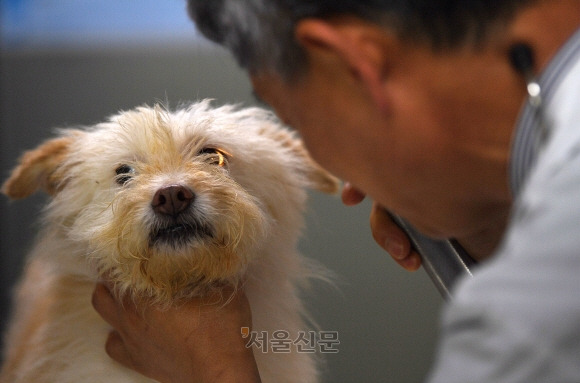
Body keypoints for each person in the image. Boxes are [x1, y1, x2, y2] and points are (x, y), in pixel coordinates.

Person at [91, 0, 580, 381]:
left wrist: (213, 373)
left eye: (297, 119)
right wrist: (500, 233)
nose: (344, 184)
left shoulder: (544, 289)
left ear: (353, 64)